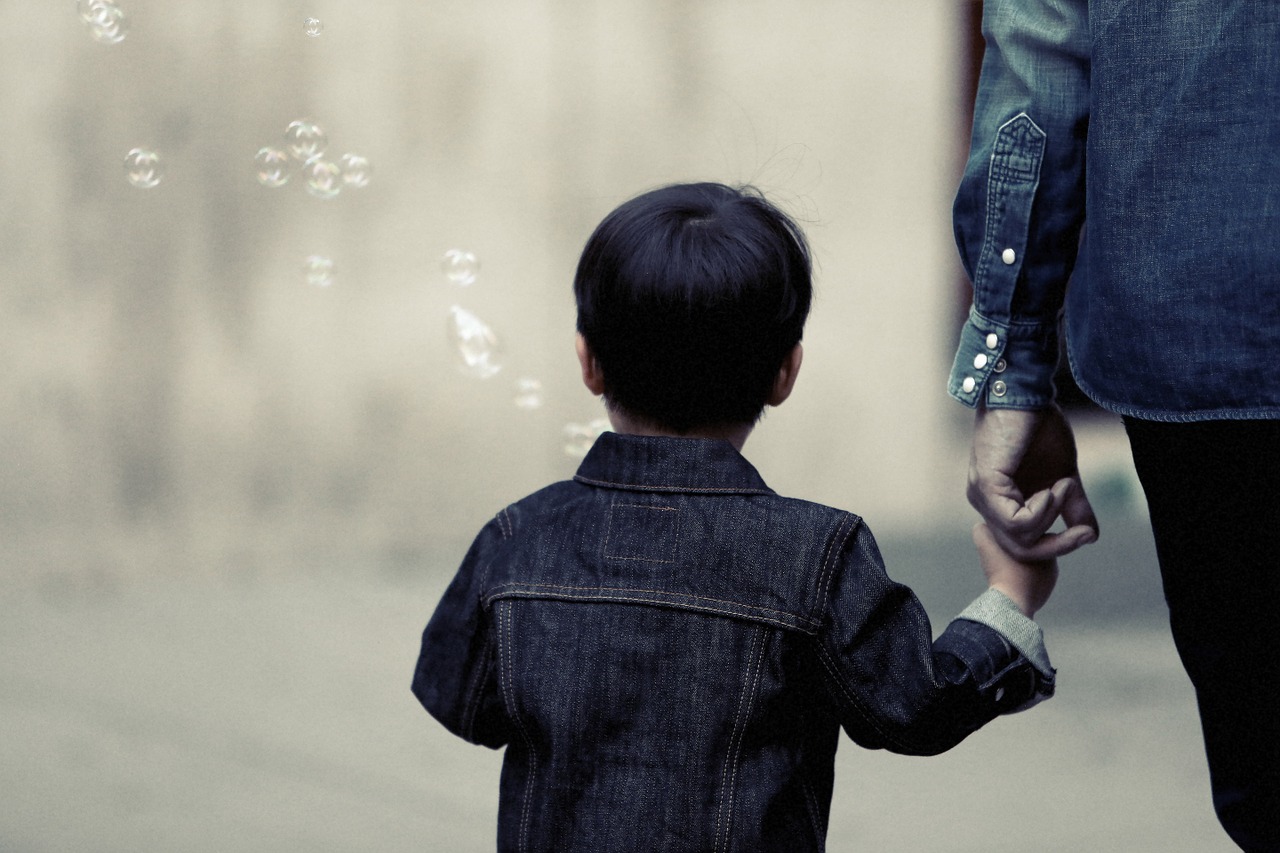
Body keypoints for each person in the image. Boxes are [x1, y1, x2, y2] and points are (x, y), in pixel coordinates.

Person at [414, 182, 1065, 852]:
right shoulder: (818, 553)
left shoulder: (518, 537)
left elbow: (459, 698)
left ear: (588, 363)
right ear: (786, 371)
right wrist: (1010, 596)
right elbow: (915, 709)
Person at [948, 2, 1280, 849]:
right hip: (1203, 344)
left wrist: (1013, 372)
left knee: (1269, 771)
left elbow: (1038, 67)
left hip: (1203, 335)